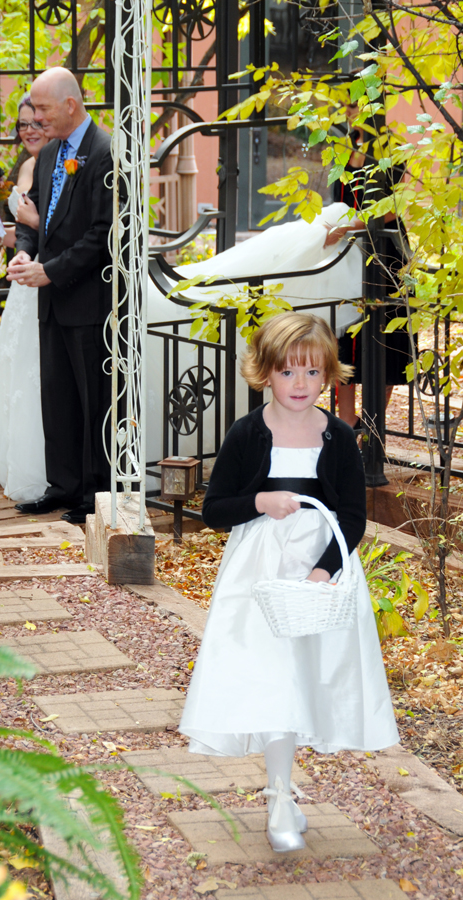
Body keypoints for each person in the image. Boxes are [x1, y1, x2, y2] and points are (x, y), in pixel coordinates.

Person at [179, 312, 398, 853]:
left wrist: (325, 570)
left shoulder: (339, 435)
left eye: (311, 374)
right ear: (265, 374)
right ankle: (279, 797)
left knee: (309, 675)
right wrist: (258, 501)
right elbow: (213, 509)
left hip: (319, 573)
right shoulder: (248, 432)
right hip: (259, 573)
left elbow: (351, 515)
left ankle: (287, 792)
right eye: (288, 373)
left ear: (327, 376)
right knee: (272, 677)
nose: (300, 385)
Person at [7, 67, 113, 524]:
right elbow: (38, 223)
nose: (36, 118)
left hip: (88, 300)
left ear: (71, 104)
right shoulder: (50, 154)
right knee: (58, 398)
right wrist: (24, 255)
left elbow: (103, 234)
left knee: (93, 401)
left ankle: (94, 494)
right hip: (50, 300)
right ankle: (62, 486)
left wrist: (51, 271)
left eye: (44, 109)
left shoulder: (105, 153)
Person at [324, 102, 411, 428]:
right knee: (344, 339)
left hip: (387, 253)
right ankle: (348, 425)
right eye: (347, 107)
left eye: (356, 107)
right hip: (347, 256)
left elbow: (396, 207)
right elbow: (337, 203)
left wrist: (352, 227)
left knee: (387, 342)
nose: (350, 114)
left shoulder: (393, 149)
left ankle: (373, 427)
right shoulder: (343, 150)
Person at [0, 94, 49, 502]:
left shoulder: (62, 165)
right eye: (22, 124)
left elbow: (59, 226)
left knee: (39, 372)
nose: (28, 130)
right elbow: (26, 231)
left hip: (50, 276)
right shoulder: (28, 165)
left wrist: (32, 223)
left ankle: (43, 472)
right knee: (15, 368)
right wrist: (4, 234)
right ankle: (17, 465)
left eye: (35, 122)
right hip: (25, 277)